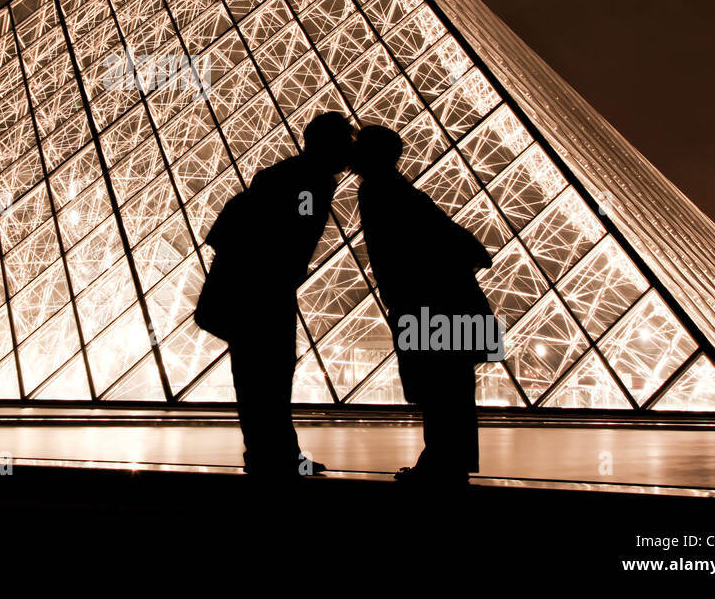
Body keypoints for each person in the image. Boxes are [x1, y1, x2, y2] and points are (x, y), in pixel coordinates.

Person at [196, 111, 353, 477]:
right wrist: (283, 268)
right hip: (261, 290)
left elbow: (239, 226)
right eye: (345, 142)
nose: (350, 151)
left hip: (253, 286)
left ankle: (272, 454)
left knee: (261, 377)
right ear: (326, 144)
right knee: (268, 376)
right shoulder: (309, 183)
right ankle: (276, 457)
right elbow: (293, 230)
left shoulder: (288, 176)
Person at [352, 124, 497, 487]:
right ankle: (448, 464)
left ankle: (442, 465)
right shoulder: (399, 191)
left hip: (429, 305)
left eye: (358, 148)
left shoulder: (380, 191)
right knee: (448, 388)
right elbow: (463, 245)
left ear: (372, 154)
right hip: (444, 301)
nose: (351, 154)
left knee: (439, 387)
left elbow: (407, 252)